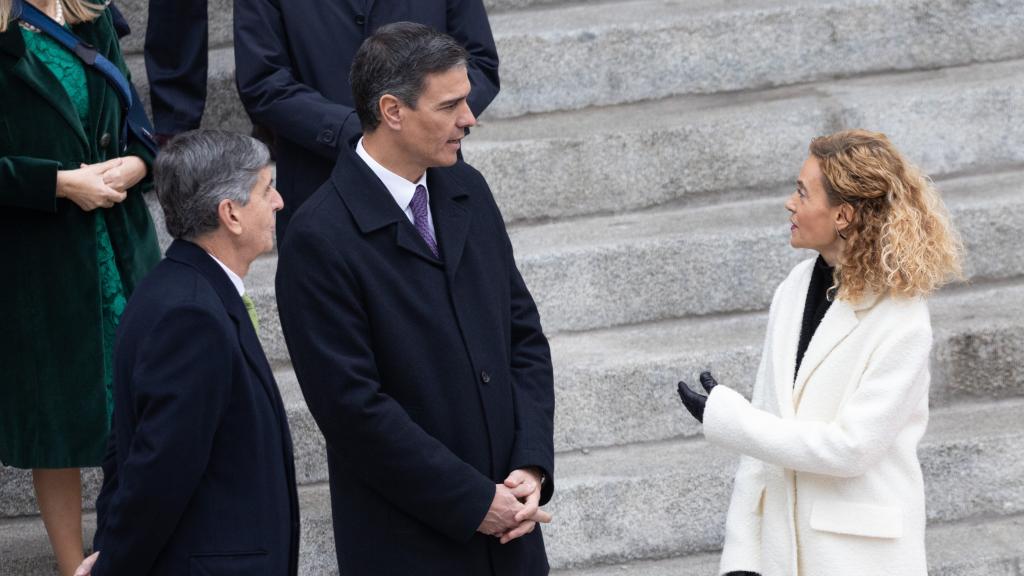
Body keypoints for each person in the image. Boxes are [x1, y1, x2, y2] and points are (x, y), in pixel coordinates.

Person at [276, 23, 553, 575]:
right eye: (450, 105)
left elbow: (522, 335)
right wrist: (473, 502)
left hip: (511, 535)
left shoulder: (467, 190)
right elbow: (354, 409)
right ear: (392, 111)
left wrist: (531, 464)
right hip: (409, 546)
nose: (469, 120)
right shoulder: (319, 237)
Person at [677, 129, 964, 576]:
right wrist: (741, 558)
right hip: (779, 555)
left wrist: (732, 421)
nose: (790, 204)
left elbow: (851, 448)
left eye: (802, 193)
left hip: (859, 559)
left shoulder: (902, 320)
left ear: (843, 214)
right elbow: (763, 436)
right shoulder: (793, 289)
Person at [75, 130, 299, 576]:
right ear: (230, 214)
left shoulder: (183, 289)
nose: (279, 202)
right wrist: (113, 565)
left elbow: (129, 448)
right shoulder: (191, 316)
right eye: (267, 189)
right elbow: (156, 471)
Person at [0, 0, 160, 573]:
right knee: (58, 421)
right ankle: (72, 568)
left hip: (120, 245)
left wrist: (138, 166)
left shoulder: (91, 15)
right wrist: (59, 184)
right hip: (40, 265)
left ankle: (134, 548)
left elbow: (140, 125)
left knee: (148, 404)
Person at [233, 0, 500, 241]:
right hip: (320, 175)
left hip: (432, 176)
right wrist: (361, 131)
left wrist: (427, 115)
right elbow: (263, 82)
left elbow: (479, 60)